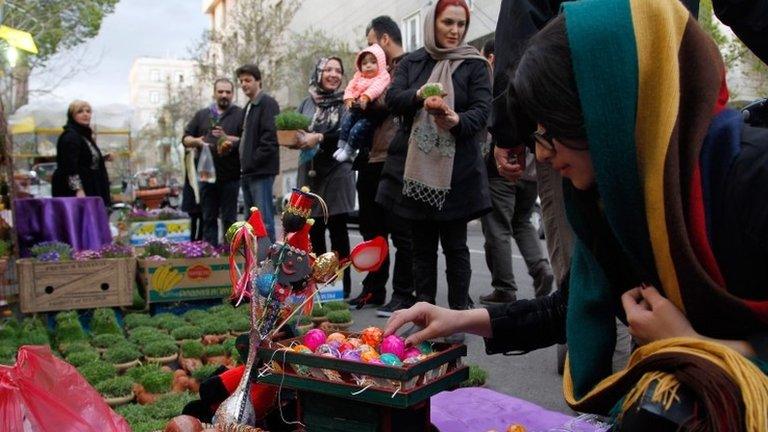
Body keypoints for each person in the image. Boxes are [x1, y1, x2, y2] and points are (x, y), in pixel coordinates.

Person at [387, 0, 768, 428]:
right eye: (535, 135)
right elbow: (564, 309)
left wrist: (688, 343)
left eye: (549, 131)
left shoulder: (749, 178)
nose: (544, 155)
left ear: (608, 109)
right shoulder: (617, 196)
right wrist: (459, 319)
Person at [376, 0, 492, 337]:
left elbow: (483, 112)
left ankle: (457, 314)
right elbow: (393, 98)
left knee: (456, 247)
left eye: (460, 24)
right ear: (432, 23)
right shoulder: (414, 61)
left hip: (458, 172)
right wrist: (420, 96)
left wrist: (455, 119)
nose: (455, 31)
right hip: (417, 174)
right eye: (448, 23)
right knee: (421, 248)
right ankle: (424, 315)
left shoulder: (474, 64)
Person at [348, 16, 416, 316]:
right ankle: (374, 289)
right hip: (369, 159)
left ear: (384, 40)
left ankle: (403, 294)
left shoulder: (410, 66)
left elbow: (389, 103)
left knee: (402, 232)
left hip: (395, 159)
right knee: (371, 231)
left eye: (371, 42)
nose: (368, 53)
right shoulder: (373, 71)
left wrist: (363, 102)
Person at [478, 38, 554, 305]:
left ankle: (505, 288)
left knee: (497, 225)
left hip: (504, 164)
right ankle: (541, 268)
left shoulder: (495, 81)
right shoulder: (534, 72)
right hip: (533, 167)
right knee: (521, 221)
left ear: (490, 57)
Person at [294, 57, 356, 298]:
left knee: (338, 232)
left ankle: (342, 288)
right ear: (318, 73)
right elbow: (296, 132)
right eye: (328, 69)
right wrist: (296, 139)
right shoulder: (305, 104)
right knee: (314, 231)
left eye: (338, 70)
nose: (333, 74)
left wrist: (318, 137)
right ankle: (320, 287)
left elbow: (345, 132)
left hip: (338, 172)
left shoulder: (346, 102)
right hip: (310, 173)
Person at [182, 78, 243, 245]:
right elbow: (185, 139)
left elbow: (246, 140)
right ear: (214, 93)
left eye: (228, 92)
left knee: (230, 220)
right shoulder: (202, 115)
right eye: (220, 91)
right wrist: (198, 141)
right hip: (206, 177)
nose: (224, 95)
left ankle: (230, 257)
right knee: (208, 218)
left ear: (233, 94)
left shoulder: (240, 114)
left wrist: (227, 139)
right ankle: (211, 255)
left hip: (231, 176)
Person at [236, 64, 280, 242]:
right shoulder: (248, 106)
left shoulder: (267, 103)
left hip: (260, 172)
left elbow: (269, 140)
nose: (244, 84)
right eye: (241, 81)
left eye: (248, 80)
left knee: (264, 221)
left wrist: (251, 162)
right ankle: (254, 264)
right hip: (247, 172)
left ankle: (269, 263)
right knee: (250, 223)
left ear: (258, 80)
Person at [332, 43, 391, 162]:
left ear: (380, 63)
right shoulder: (358, 76)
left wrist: (366, 96)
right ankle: (342, 146)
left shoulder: (383, 76)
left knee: (356, 129)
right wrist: (349, 98)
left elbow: (377, 88)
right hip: (357, 109)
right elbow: (350, 88)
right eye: (364, 63)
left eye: (373, 62)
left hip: (370, 114)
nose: (368, 66)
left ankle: (349, 151)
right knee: (346, 121)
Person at [52, 100, 112, 207]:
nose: (85, 114)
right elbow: (70, 166)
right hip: (76, 192)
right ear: (72, 116)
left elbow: (85, 160)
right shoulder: (71, 137)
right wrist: (78, 190)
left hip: (89, 187)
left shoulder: (83, 135)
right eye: (80, 111)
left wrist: (103, 158)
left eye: (88, 111)